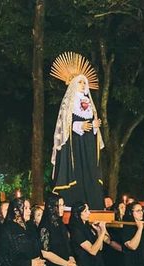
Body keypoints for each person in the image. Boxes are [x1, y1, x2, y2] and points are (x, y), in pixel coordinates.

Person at [50, 52, 104, 209]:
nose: (83, 85)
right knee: (76, 170)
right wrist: (79, 126)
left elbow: (96, 132)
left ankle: (93, 201)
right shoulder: (69, 104)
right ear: (73, 84)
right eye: (80, 82)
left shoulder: (90, 105)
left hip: (87, 144)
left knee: (90, 169)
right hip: (74, 144)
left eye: (85, 82)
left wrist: (94, 127)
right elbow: (65, 124)